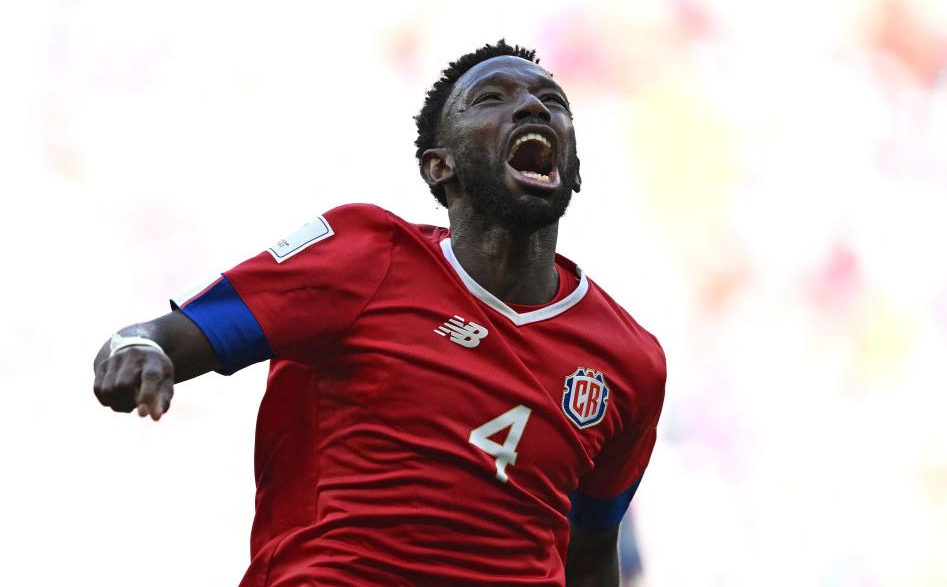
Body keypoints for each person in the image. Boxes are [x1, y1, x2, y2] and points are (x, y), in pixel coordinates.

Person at [92, 40, 666, 587]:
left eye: (555, 102)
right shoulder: (363, 254)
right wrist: (138, 351)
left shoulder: (629, 362)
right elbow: (160, 338)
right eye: (491, 98)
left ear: (575, 170)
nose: (535, 106)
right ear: (439, 167)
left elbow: (591, 560)